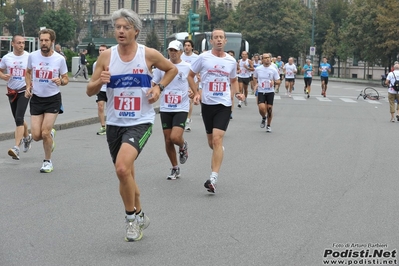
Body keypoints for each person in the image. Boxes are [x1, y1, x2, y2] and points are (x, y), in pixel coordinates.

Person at [86, 8, 178, 242]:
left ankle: (130, 222)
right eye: (117, 27)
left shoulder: (148, 54)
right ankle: (140, 215)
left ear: (136, 31)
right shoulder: (107, 57)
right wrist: (100, 81)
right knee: (126, 176)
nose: (120, 31)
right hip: (115, 123)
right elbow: (89, 90)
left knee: (122, 169)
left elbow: (172, 69)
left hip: (140, 121)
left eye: (126, 27)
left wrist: (159, 88)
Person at [188, 28, 245, 193]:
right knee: (211, 142)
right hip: (207, 104)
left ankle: (213, 178)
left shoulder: (231, 61)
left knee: (217, 140)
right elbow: (190, 75)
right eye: (216, 38)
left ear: (225, 41)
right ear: (211, 41)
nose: (219, 40)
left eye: (221, 37)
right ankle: (219, 151)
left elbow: (233, 80)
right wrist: (197, 93)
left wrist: (238, 93)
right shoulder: (203, 57)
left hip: (223, 104)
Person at [24, 29, 69, 173]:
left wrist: (60, 80)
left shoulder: (59, 59)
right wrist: (28, 86)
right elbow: (28, 72)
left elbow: (66, 79)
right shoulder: (33, 56)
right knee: (36, 135)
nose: (43, 43)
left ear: (52, 42)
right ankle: (50, 134)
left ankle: (47, 161)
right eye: (41, 40)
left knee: (45, 133)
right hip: (36, 98)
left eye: (46, 40)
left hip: (52, 99)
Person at [153, 40, 191, 180]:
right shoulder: (161, 66)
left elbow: (194, 83)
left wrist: (194, 92)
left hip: (181, 106)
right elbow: (155, 82)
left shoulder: (187, 67)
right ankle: (175, 168)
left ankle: (182, 145)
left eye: (175, 50)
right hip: (165, 106)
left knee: (175, 137)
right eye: (171, 50)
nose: (173, 53)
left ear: (181, 52)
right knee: (168, 140)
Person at [0, 35, 33, 160]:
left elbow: (33, 72)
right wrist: (3, 76)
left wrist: (30, 86)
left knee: (19, 118)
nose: (21, 45)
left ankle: (16, 148)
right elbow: (0, 70)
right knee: (18, 118)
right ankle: (27, 137)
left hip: (24, 90)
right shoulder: (7, 58)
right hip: (12, 91)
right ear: (13, 44)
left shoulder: (29, 57)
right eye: (19, 43)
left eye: (23, 43)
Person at [253, 53, 280, 133]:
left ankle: (268, 125)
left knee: (269, 109)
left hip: (270, 91)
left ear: (270, 59)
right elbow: (254, 77)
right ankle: (263, 117)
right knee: (261, 108)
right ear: (262, 60)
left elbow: (278, 80)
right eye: (265, 58)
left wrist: (274, 82)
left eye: (268, 58)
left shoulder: (273, 69)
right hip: (261, 91)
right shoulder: (258, 69)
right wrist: (256, 85)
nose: (267, 59)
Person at [181, 39, 199, 132]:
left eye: (188, 45)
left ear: (192, 47)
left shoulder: (196, 57)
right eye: (185, 45)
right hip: (181, 81)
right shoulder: (180, 56)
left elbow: (199, 70)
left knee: (190, 100)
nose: (186, 47)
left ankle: (187, 120)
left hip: (192, 80)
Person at [93, 44, 108, 135]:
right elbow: (94, 78)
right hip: (101, 88)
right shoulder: (96, 64)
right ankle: (103, 126)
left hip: (110, 88)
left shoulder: (112, 62)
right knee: (100, 106)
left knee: (111, 108)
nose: (101, 52)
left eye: (103, 50)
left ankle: (111, 125)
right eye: (100, 50)